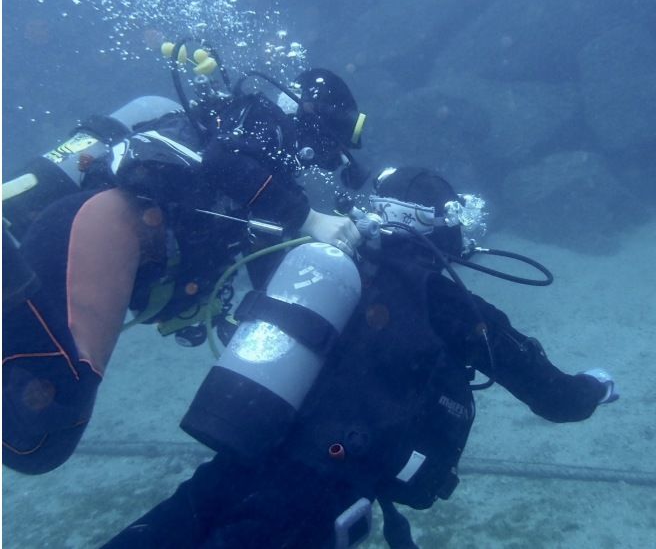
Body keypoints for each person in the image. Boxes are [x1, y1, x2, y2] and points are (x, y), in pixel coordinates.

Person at [101, 167, 618, 549]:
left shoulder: (310, 267)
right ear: (441, 233)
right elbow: (557, 399)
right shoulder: (449, 304)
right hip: (317, 499)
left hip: (240, 457)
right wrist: (597, 385)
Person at [2, 59, 368, 475]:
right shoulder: (267, 126)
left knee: (33, 428)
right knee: (43, 429)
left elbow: (263, 270)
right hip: (105, 224)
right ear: (314, 120)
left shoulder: (261, 169)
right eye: (331, 146)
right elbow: (221, 161)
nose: (321, 161)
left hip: (98, 234)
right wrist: (310, 218)